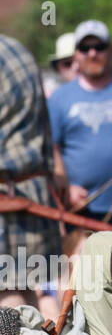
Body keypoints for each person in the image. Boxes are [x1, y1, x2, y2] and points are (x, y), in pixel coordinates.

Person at [48, 21, 112, 227]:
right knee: (89, 261)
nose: (92, 54)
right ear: (76, 54)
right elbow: (51, 148)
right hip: (83, 209)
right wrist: (66, 187)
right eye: (85, 48)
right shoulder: (59, 98)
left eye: (99, 47)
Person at [0, 34, 62, 308]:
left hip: (6, 196)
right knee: (30, 291)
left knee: (6, 294)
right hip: (33, 187)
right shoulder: (17, 49)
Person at [44, 33, 78, 98]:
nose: (76, 67)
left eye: (80, 61)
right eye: (68, 63)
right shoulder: (53, 96)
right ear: (58, 67)